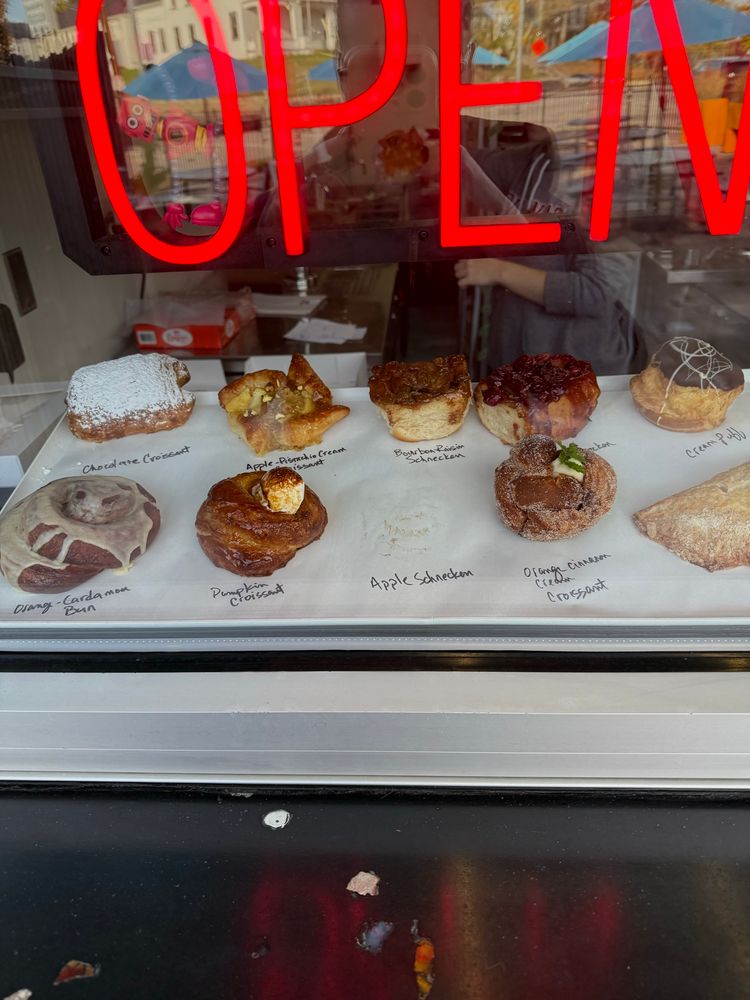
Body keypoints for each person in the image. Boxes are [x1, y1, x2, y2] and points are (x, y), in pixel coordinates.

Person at [455, 249, 645, 375]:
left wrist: (499, 271)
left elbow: (595, 291)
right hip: (512, 361)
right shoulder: (520, 196)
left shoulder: (594, 207)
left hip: (578, 371)